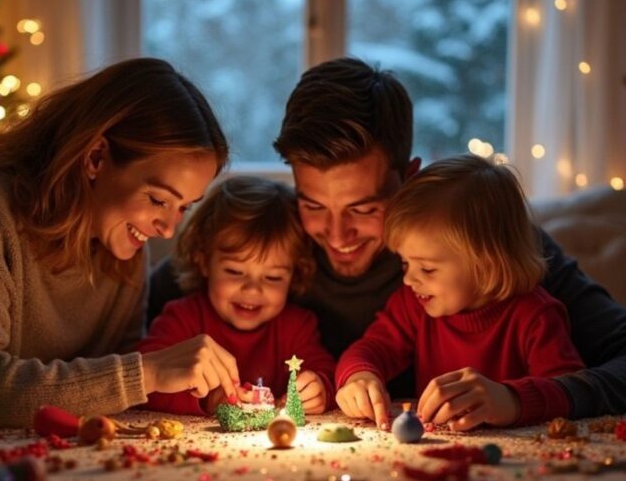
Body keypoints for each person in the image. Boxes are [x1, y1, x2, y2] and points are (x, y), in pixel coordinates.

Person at [149, 57, 626, 424]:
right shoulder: (266, 237)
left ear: (409, 180)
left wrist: (521, 399)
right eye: (314, 204)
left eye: (363, 208)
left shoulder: (483, 244)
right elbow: (125, 345)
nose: (337, 236)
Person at [0, 58, 244, 430]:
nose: (167, 229)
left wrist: (192, 392)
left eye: (184, 207)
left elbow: (110, 389)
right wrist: (148, 372)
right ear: (95, 158)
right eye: (159, 200)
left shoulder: (122, 245)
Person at [335, 155, 585, 430]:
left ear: (484, 263)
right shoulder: (413, 305)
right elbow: (372, 348)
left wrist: (511, 400)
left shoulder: (536, 316)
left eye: (427, 269)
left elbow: (568, 391)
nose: (408, 279)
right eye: (405, 263)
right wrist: (360, 376)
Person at [140, 176, 335, 416]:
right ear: (203, 261)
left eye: (273, 277)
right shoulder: (181, 320)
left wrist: (319, 389)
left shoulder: (298, 327)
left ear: (295, 274)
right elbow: (142, 384)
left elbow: (326, 374)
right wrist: (208, 400)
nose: (252, 290)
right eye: (234, 272)